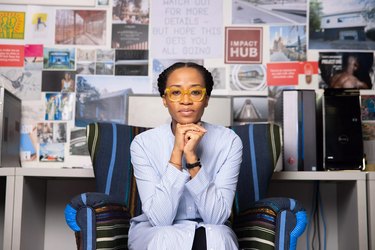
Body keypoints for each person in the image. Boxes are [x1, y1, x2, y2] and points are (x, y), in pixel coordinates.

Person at [128, 62, 243, 250]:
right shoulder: (143, 144)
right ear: (164, 99)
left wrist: (191, 158)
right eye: (175, 92)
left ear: (206, 99)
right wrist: (176, 153)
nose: (186, 100)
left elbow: (216, 218)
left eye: (196, 92)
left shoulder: (229, 142)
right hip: (156, 232)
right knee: (164, 236)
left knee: (218, 236)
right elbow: (160, 219)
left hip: (210, 232)